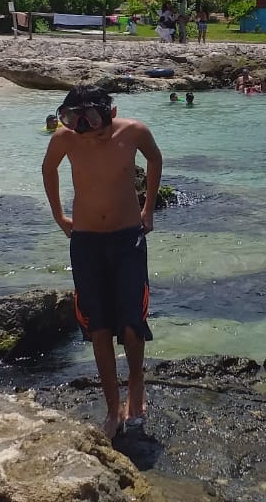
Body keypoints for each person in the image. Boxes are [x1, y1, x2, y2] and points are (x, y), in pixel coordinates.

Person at [41, 85, 162, 439]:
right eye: (78, 123)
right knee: (98, 328)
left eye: (95, 122)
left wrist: (148, 208)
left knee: (131, 323)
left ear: (111, 111)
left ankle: (136, 384)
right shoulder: (66, 140)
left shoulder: (134, 131)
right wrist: (58, 216)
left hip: (128, 237)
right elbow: (49, 169)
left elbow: (155, 159)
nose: (91, 132)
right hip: (86, 241)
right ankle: (113, 406)